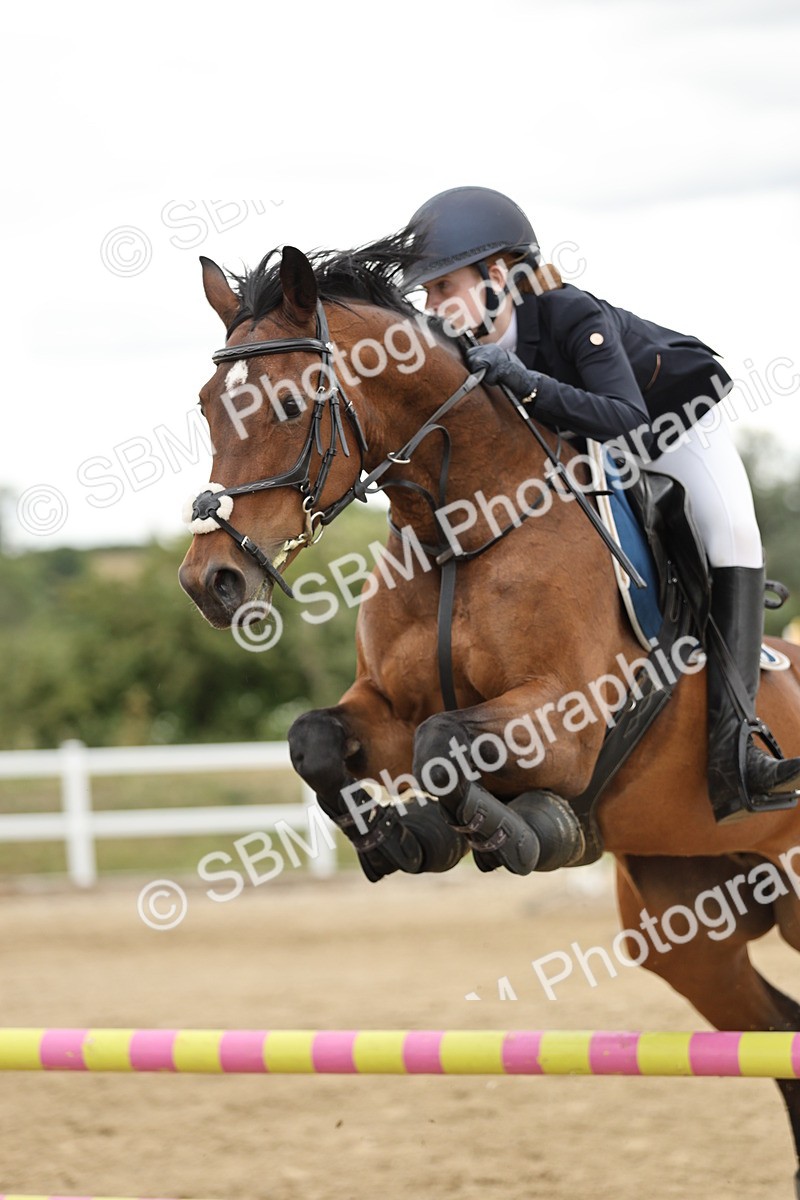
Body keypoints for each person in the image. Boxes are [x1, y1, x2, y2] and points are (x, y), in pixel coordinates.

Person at [402, 185, 800, 824]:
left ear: (496, 276)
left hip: (673, 426)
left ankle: (740, 751)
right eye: (427, 293)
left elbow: (626, 419)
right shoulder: (460, 350)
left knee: (732, 535)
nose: (433, 305)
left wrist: (525, 383)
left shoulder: (568, 315)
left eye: (443, 287)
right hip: (592, 447)